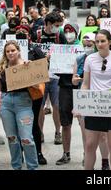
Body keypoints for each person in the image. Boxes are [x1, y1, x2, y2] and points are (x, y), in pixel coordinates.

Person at [81, 30, 111, 170]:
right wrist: (80, 105)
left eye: (102, 41)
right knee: (90, 145)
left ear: (109, 42)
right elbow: (85, 84)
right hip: (94, 106)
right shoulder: (89, 59)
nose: (100, 44)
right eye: (97, 42)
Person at [0, 41, 38, 170]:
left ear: (18, 51)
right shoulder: (2, 68)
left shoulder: (26, 65)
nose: (10, 53)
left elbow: (37, 85)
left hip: (23, 103)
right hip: (6, 103)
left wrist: (29, 70)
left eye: (13, 50)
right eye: (7, 51)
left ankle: (32, 167)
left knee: (26, 139)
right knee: (12, 138)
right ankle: (16, 167)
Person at [72, 32, 110, 170]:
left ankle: (105, 161)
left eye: (91, 43)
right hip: (87, 100)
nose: (88, 45)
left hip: (102, 100)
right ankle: (87, 157)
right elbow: (77, 80)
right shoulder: (81, 59)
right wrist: (76, 80)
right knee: (87, 135)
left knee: (103, 136)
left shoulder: (107, 58)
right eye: (85, 43)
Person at [14, 24, 48, 165]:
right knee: (18, 125)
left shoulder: (35, 50)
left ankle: (38, 152)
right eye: (19, 35)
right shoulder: (9, 52)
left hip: (33, 93)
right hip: (17, 93)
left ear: (29, 36)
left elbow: (44, 67)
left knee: (33, 124)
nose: (22, 35)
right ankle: (20, 153)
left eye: (25, 33)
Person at [33, 12, 67, 146]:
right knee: (39, 107)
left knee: (56, 106)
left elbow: (66, 53)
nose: (58, 28)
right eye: (56, 25)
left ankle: (58, 132)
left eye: (59, 25)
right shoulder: (37, 34)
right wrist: (43, 57)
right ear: (48, 24)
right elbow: (31, 53)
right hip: (40, 76)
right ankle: (40, 132)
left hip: (56, 76)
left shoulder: (60, 35)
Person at [55, 22, 80, 166]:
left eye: (71, 31)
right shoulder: (61, 49)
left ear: (77, 33)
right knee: (65, 123)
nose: (69, 33)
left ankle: (86, 154)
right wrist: (54, 62)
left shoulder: (83, 48)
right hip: (65, 87)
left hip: (81, 88)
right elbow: (57, 71)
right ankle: (66, 153)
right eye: (66, 31)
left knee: (84, 124)